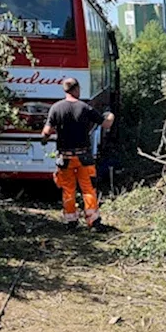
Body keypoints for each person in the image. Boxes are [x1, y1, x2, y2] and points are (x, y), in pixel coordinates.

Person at [42, 77, 113, 230]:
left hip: (65, 157)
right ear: (77, 89)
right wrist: (110, 115)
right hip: (84, 157)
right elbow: (106, 124)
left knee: (68, 189)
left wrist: (45, 140)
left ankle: (71, 221)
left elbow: (46, 132)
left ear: (65, 90)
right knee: (88, 188)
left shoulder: (56, 108)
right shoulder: (85, 108)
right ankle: (93, 221)